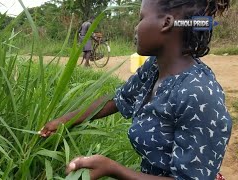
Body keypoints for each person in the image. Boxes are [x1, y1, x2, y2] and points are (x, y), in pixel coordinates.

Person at [39, 0, 232, 179]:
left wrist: (113, 169)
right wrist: (65, 121)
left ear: (166, 23)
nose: (136, 27)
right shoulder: (154, 67)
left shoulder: (198, 94)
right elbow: (118, 99)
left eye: (141, 18)